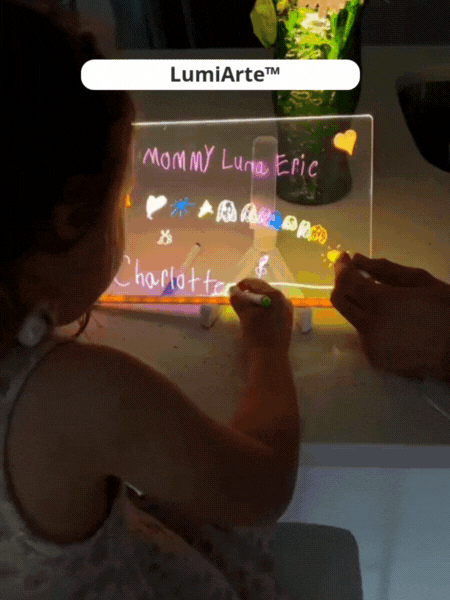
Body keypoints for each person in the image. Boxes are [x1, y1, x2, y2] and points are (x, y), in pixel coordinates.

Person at [0, 1, 448, 599]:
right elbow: (261, 486)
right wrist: (267, 351)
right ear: (68, 220)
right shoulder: (83, 394)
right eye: (122, 199)